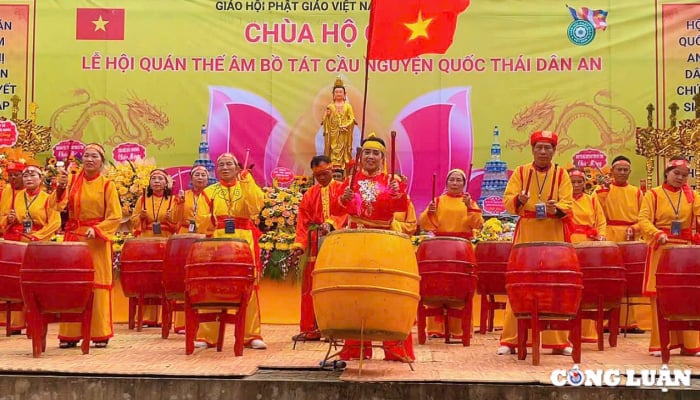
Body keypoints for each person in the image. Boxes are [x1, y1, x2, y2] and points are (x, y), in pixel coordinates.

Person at [336, 133, 415, 362]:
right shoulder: (350, 181)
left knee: (387, 293)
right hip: (355, 241)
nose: (371, 157)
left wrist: (397, 193)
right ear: (361, 157)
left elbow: (400, 206)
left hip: (383, 241)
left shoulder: (392, 181)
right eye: (367, 152)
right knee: (355, 291)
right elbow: (337, 208)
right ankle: (354, 346)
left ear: (383, 158)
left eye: (376, 153)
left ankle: (395, 347)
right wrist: (344, 198)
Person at [498, 130, 574, 356]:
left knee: (555, 282)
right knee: (521, 281)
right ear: (532, 149)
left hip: (553, 231)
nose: (543, 151)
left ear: (554, 151)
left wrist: (557, 208)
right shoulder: (520, 172)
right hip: (528, 231)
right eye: (539, 147)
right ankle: (511, 339)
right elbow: (507, 200)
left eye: (547, 147)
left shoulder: (562, 174)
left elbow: (568, 203)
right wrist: (518, 200)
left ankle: (558, 341)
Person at [55, 143, 122, 348]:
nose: (89, 159)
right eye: (86, 156)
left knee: (98, 284)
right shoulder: (72, 180)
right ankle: (70, 333)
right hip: (74, 239)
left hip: (96, 242)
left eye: (94, 156)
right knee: (73, 285)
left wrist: (99, 229)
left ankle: (99, 333)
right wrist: (59, 188)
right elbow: (58, 205)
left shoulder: (107, 185)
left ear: (102, 161)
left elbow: (115, 216)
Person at [198, 153, 267, 349]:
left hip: (243, 241)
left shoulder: (246, 186)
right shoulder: (208, 192)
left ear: (237, 168)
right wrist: (211, 224)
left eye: (229, 164)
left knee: (248, 285)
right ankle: (207, 336)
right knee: (212, 286)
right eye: (221, 164)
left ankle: (251, 334)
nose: (225, 167)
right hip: (217, 242)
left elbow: (256, 206)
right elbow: (201, 219)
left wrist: (248, 181)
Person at [637, 156, 700, 357]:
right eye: (676, 174)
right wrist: (657, 233)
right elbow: (643, 220)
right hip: (661, 250)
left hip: (685, 252)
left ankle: (690, 344)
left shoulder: (692, 196)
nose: (680, 178)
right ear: (667, 173)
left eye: (684, 175)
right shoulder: (653, 194)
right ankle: (660, 343)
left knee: (686, 295)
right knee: (660, 296)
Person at [418, 168, 484, 339]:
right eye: (452, 180)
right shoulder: (438, 201)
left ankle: (459, 330)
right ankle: (435, 329)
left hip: (461, 250)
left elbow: (478, 224)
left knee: (459, 289)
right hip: (440, 250)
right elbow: (425, 223)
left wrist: (470, 207)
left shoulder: (469, 201)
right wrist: (430, 212)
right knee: (436, 287)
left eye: (459, 180)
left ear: (464, 183)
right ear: (446, 182)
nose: (455, 183)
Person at [290, 155, 347, 341]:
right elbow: (303, 223)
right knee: (311, 286)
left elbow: (346, 211)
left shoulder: (342, 189)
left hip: (338, 241)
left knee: (335, 285)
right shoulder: (309, 194)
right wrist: (299, 245)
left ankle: (335, 330)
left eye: (325, 173)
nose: (322, 177)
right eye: (318, 175)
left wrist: (331, 223)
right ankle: (310, 329)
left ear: (332, 170)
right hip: (314, 243)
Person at [0, 165, 61, 334]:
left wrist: (37, 237)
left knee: (36, 285)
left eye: (33, 175)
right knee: (19, 283)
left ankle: (38, 322)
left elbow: (55, 222)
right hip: (21, 244)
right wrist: (10, 219)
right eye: (25, 175)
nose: (28, 178)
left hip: (38, 245)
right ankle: (18, 323)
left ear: (40, 179)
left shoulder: (48, 198)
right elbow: (5, 218)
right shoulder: (18, 197)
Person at [594, 155, 646, 334]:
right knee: (609, 279)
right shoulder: (602, 190)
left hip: (630, 238)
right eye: (619, 169)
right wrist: (603, 192)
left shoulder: (637, 192)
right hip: (609, 236)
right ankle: (606, 321)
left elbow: (645, 218)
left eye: (626, 170)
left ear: (630, 172)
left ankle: (629, 321)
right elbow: (597, 213)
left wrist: (635, 228)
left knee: (629, 279)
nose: (622, 173)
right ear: (612, 171)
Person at [129, 168, 179, 327]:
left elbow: (179, 223)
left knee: (164, 278)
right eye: (154, 179)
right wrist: (141, 217)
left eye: (160, 179)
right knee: (147, 277)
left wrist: (172, 220)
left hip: (165, 239)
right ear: (149, 183)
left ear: (166, 183)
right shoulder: (142, 200)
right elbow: (133, 221)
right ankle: (146, 317)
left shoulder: (173, 200)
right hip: (147, 240)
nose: (157, 181)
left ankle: (165, 317)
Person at [566, 168, 606, 344]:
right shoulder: (563, 202)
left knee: (587, 286)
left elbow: (601, 222)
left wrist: (601, 236)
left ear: (585, 183)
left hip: (588, 246)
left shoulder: (592, 200)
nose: (576, 185)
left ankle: (588, 331)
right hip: (568, 244)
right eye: (572, 182)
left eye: (579, 182)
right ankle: (565, 330)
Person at [322, 76, 356, 170]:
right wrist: (327, 117)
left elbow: (352, 119)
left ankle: (342, 167)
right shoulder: (330, 106)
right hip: (333, 134)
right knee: (333, 150)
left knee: (343, 151)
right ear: (333, 94)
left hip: (344, 134)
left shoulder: (348, 106)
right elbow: (324, 120)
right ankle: (332, 165)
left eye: (340, 92)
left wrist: (345, 125)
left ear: (344, 94)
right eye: (336, 92)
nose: (338, 94)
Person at [174, 165, 214, 235]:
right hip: (185, 233)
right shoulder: (184, 195)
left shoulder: (213, 195)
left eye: (203, 175)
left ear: (207, 179)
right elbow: (175, 218)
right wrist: (180, 203)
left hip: (206, 233)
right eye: (197, 175)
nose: (200, 177)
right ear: (191, 179)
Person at [0, 161, 26, 238]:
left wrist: (17, 218)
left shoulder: (29, 192)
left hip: (24, 234)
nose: (13, 177)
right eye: (10, 175)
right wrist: (7, 219)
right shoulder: (5, 191)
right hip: (5, 234)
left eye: (16, 175)